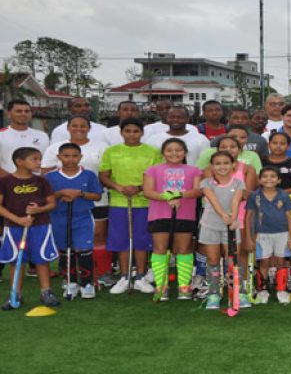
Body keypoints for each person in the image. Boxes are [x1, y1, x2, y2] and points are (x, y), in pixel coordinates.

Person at [41, 115, 113, 285]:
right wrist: (62, 193)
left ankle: (101, 273)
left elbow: (106, 173)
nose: (79, 129)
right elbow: (46, 176)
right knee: (69, 241)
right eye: (75, 125)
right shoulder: (54, 148)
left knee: (98, 236)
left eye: (83, 126)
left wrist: (83, 191)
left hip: (95, 198)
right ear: (68, 127)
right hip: (64, 203)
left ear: (89, 128)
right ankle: (71, 276)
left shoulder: (102, 146)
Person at [99, 117, 162, 294]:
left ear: (142, 133)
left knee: (141, 239)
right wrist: (119, 187)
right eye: (128, 131)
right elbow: (104, 175)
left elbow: (157, 176)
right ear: (121, 132)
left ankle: (140, 276)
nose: (132, 135)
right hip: (119, 202)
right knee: (122, 240)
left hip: (144, 201)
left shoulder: (152, 152)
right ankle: (125, 276)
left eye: (136, 131)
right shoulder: (112, 151)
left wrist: (140, 188)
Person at [142, 138, 203, 301]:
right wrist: (167, 197)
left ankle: (184, 286)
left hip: (185, 215)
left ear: (185, 153)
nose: (174, 153)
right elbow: (148, 191)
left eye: (178, 150)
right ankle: (161, 286)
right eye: (169, 150)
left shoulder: (194, 170)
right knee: (160, 248)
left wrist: (178, 195)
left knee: (183, 249)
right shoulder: (153, 170)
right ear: (163, 153)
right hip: (160, 214)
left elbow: (197, 191)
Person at [0, 147, 59, 310]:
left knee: (41, 259)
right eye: (34, 159)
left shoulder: (41, 181)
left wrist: (38, 210)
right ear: (19, 161)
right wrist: (17, 219)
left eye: (39, 159)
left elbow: (52, 203)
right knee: (16, 260)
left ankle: (46, 291)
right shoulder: (5, 181)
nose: (39, 162)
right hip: (13, 227)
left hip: (40, 226)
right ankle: (15, 293)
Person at [44, 143, 103, 299]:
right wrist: (60, 194)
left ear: (81, 157)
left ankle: (87, 283)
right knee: (65, 250)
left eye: (75, 156)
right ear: (59, 157)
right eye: (66, 156)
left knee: (83, 249)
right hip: (58, 217)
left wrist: (80, 193)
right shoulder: (50, 177)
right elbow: (46, 198)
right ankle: (70, 282)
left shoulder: (89, 175)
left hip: (82, 217)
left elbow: (97, 195)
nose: (71, 159)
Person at [197, 151, 246, 310]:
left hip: (231, 225)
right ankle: (213, 294)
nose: (222, 166)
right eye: (217, 163)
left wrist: (232, 219)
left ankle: (239, 292)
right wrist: (224, 216)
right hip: (210, 225)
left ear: (233, 165)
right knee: (212, 259)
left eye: (226, 163)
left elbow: (236, 201)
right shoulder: (206, 183)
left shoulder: (238, 183)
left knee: (232, 259)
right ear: (212, 166)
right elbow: (213, 200)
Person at [246, 165, 291, 305]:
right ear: (259, 180)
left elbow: (289, 216)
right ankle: (262, 290)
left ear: (279, 180)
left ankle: (282, 290)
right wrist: (249, 237)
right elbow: (248, 216)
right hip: (261, 235)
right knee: (264, 262)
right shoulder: (254, 196)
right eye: (265, 176)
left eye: (273, 176)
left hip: (282, 234)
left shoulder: (284, 196)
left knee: (281, 261)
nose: (269, 179)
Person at [144, 106, 210, 166]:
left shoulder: (201, 139)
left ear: (188, 119)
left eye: (180, 117)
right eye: (172, 117)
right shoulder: (153, 139)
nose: (175, 120)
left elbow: (206, 164)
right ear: (167, 118)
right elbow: (148, 163)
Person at [0, 100, 50, 176]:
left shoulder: (42, 136)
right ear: (9, 114)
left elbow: (47, 162)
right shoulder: (1, 135)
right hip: (7, 183)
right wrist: (12, 180)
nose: (23, 114)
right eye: (18, 111)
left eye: (27, 111)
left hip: (36, 183)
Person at [195, 126, 263, 173]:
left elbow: (257, 176)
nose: (238, 139)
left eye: (243, 137)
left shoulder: (253, 155)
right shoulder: (210, 152)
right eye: (234, 136)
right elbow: (198, 172)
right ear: (226, 135)